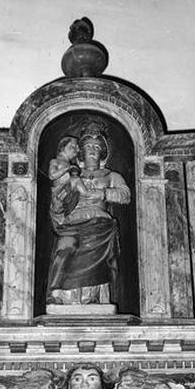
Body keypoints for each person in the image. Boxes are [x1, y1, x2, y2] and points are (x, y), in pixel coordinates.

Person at [46, 124, 130, 306]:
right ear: (81, 152)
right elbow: (59, 197)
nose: (93, 150)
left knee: (95, 253)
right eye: (88, 146)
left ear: (103, 153)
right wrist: (58, 206)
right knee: (63, 249)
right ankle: (57, 293)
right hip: (72, 222)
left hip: (99, 223)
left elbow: (125, 195)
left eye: (97, 147)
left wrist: (104, 194)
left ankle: (93, 297)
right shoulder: (71, 172)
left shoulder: (111, 175)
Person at [49, 136, 88, 227]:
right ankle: (88, 195)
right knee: (76, 180)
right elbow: (52, 175)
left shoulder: (71, 164)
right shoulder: (55, 161)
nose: (77, 150)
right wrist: (66, 169)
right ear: (63, 147)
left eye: (78, 148)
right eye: (74, 146)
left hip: (69, 195)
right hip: (59, 194)